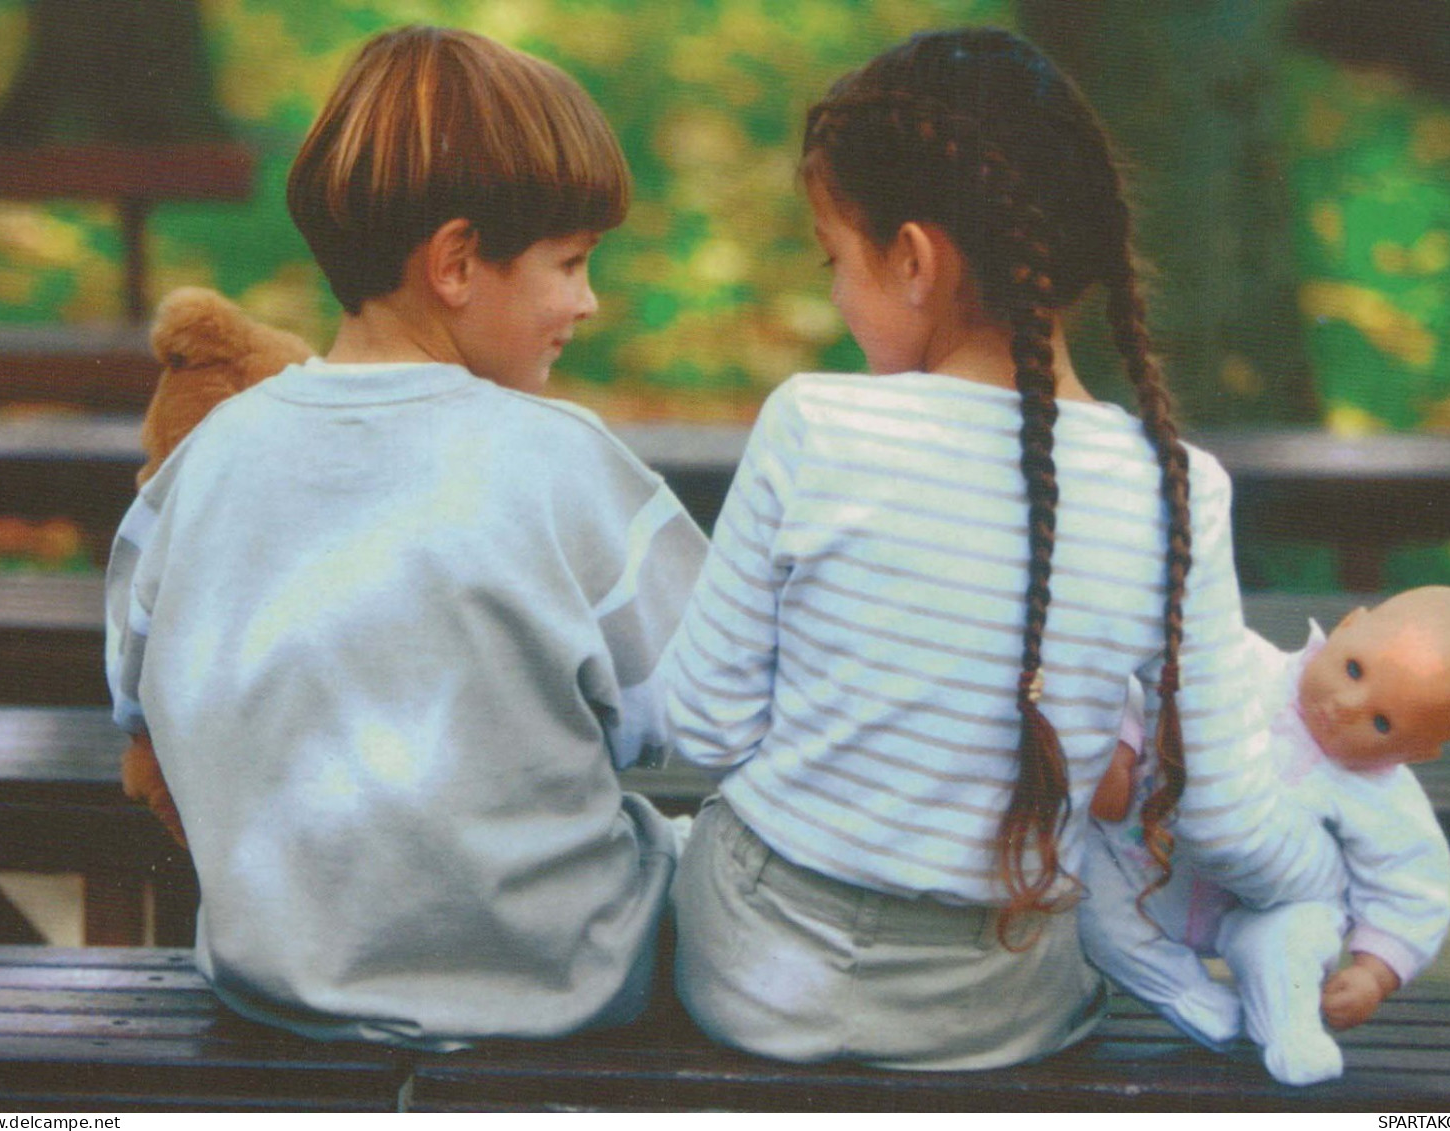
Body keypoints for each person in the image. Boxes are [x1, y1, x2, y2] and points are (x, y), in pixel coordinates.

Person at [661, 25, 1343, 1071]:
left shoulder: (812, 424)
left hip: (757, 976)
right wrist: (1331, 895)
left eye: (833, 258)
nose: (836, 293)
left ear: (913, 259)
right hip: (994, 1011)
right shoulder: (1174, 490)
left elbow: (702, 725)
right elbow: (1225, 812)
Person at [103, 25, 708, 1050]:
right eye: (569, 262)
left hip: (278, 974)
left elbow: (135, 688)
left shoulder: (205, 464)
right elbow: (709, 703)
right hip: (560, 977)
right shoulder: (563, 461)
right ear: (458, 263)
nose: (587, 301)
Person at [1083, 586, 1450, 1085]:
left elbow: (1414, 877)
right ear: (1347, 627)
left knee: (1298, 935)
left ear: (1415, 753)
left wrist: (1374, 973)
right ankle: (1185, 997)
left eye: (1382, 721)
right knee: (1090, 901)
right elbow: (1152, 681)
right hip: (1137, 862)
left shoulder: (1381, 792)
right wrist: (1122, 749)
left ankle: (1288, 1024)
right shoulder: (1240, 662)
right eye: (1354, 670)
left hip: (1260, 908)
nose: (1346, 706)